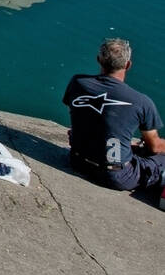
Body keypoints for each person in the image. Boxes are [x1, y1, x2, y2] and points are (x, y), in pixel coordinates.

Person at [64, 38, 165, 192]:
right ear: (128, 65)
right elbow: (155, 147)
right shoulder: (141, 101)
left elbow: (84, 118)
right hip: (116, 176)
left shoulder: (77, 82)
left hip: (78, 161)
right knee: (160, 159)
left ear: (99, 60)